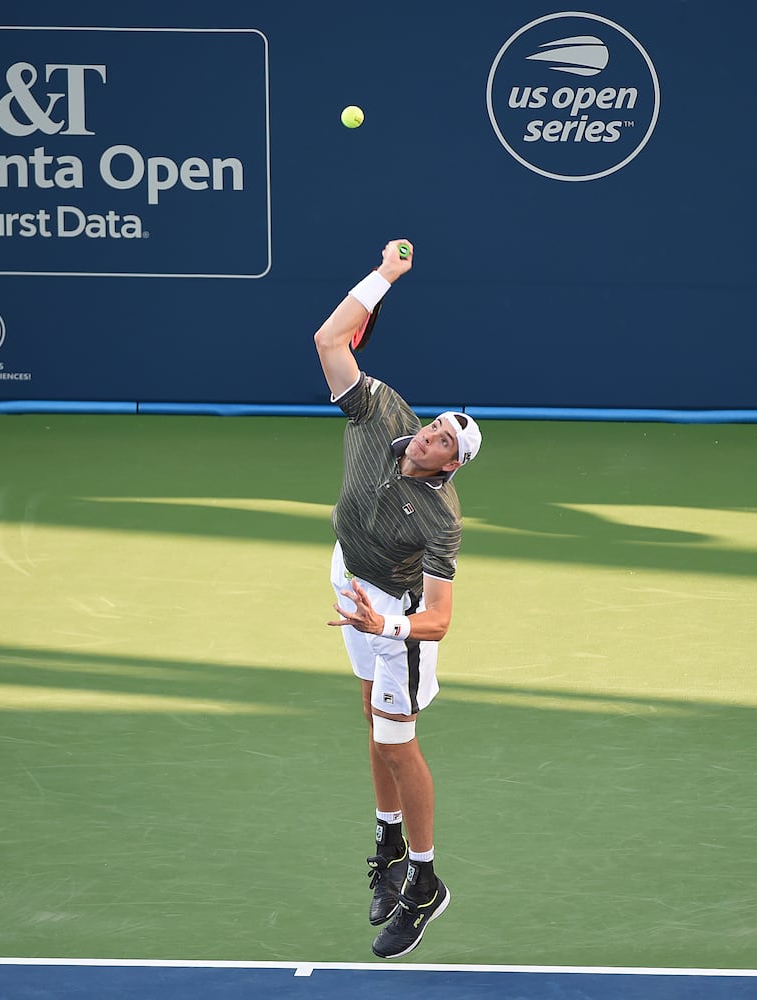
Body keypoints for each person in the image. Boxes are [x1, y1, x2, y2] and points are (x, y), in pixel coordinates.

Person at [315, 237, 482, 959]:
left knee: (396, 741)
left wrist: (385, 621)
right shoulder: (380, 409)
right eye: (436, 423)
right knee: (367, 718)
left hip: (393, 620)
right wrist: (384, 275)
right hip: (348, 578)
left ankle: (423, 882)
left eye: (444, 440)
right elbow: (328, 338)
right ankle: (385, 839)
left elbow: (439, 620)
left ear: (448, 469)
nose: (431, 434)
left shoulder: (442, 520)